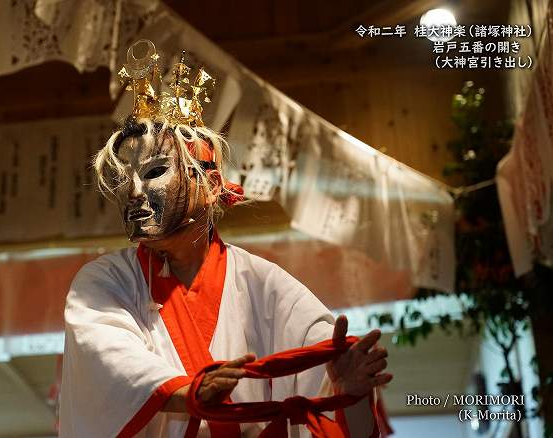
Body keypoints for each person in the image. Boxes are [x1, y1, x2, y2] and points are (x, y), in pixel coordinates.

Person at [59, 40, 392, 438]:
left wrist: (348, 392)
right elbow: (109, 361)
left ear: (212, 185)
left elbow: (324, 374)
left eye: (153, 172)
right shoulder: (105, 282)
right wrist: (190, 392)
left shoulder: (263, 284)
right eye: (122, 179)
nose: (133, 192)